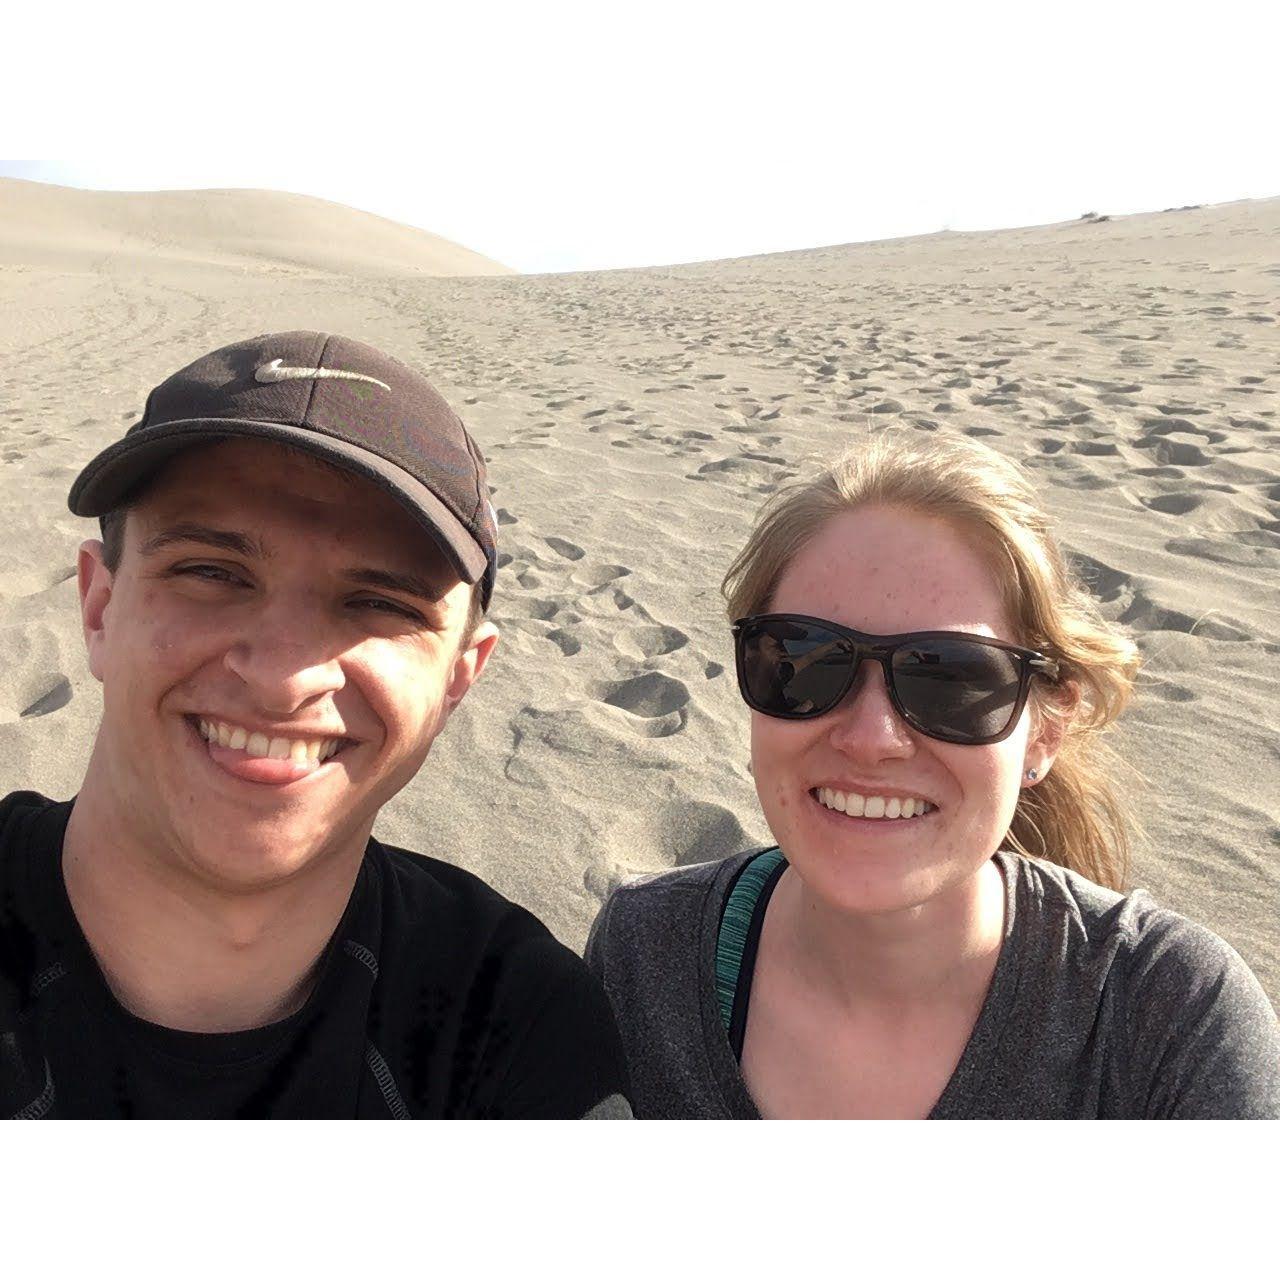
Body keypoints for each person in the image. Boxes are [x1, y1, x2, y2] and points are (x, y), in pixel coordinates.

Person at [1, 331, 631, 1119]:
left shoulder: (517, 1021)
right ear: (99, 609)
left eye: (380, 603)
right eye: (211, 572)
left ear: (458, 679)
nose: (283, 677)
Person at [586, 431, 1279, 1119]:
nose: (871, 739)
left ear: (1045, 730)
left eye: (951, 679)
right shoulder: (645, 954)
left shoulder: (1167, 1021)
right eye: (805, 662)